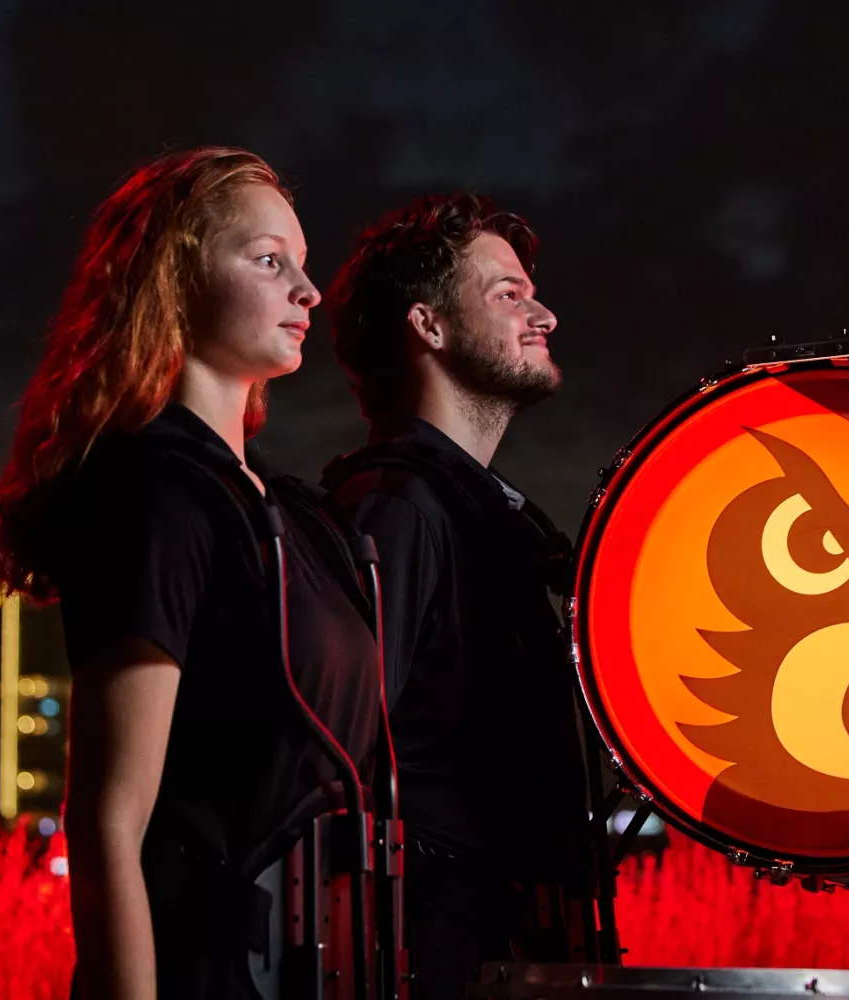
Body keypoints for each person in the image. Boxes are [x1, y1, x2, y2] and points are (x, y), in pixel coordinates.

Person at [0, 147, 383, 1000]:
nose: (309, 294)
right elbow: (107, 824)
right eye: (270, 261)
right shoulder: (155, 493)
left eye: (304, 268)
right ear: (179, 274)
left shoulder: (290, 513)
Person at [322, 194, 602, 1000]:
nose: (542, 314)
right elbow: (344, 757)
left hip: (490, 944)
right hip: (437, 957)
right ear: (428, 327)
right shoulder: (398, 507)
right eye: (507, 294)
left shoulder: (481, 514)